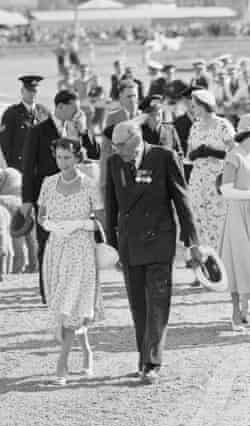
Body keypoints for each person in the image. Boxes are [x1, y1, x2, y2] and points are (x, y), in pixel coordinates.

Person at [104, 122, 201, 384]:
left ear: (136, 140)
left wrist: (191, 241)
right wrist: (112, 248)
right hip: (129, 243)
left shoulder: (163, 157)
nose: (118, 150)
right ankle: (143, 357)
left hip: (159, 239)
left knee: (157, 303)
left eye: (122, 145)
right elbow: (111, 206)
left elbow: (182, 199)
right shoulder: (114, 163)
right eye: (115, 146)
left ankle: (152, 361)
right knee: (138, 305)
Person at [21, 89, 98, 301]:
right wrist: (27, 200)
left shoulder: (75, 128)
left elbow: (95, 152)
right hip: (48, 194)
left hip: (75, 195)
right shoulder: (38, 131)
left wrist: (82, 132)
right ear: (61, 106)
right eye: (74, 107)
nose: (77, 112)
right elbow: (28, 167)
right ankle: (49, 291)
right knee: (47, 241)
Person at [37, 138, 102, 385]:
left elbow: (101, 220)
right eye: (59, 157)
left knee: (69, 301)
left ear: (77, 157)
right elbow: (41, 215)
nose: (62, 162)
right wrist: (51, 225)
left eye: (67, 157)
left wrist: (80, 224)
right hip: (56, 249)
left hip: (81, 249)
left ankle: (61, 363)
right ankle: (86, 349)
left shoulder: (89, 185)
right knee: (66, 304)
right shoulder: (48, 183)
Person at [186, 89, 233, 254]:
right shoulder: (195, 127)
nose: (193, 109)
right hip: (198, 180)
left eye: (195, 106)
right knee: (200, 222)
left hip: (217, 179)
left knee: (218, 220)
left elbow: (235, 153)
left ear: (205, 105)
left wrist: (213, 151)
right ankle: (206, 266)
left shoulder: (222, 124)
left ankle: (224, 261)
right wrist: (196, 153)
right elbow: (189, 155)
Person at [219, 115, 250, 329]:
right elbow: (225, 189)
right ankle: (236, 313)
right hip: (237, 214)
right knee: (237, 259)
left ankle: (246, 310)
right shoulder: (234, 155)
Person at [0, 75, 50, 170]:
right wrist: (12, 165)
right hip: (20, 166)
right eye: (29, 91)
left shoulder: (44, 112)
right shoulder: (12, 113)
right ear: (22, 91)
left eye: (34, 91)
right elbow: (4, 142)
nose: (32, 94)